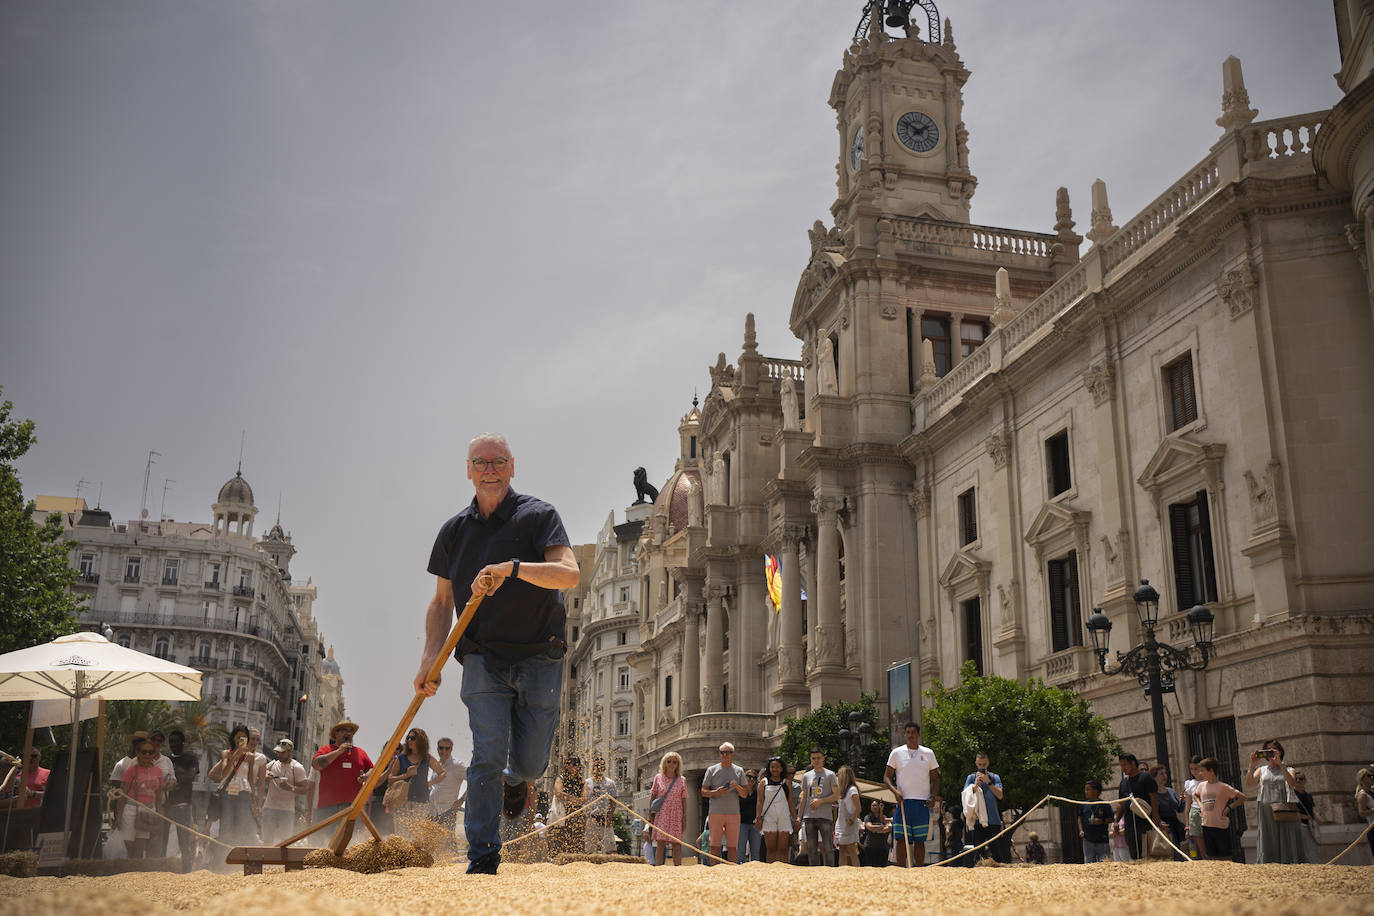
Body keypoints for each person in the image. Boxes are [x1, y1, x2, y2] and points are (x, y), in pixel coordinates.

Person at [413, 432, 580, 876]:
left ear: (512, 467)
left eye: (498, 461)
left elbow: (569, 575)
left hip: (540, 654)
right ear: (468, 470)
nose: (490, 470)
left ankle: (515, 779)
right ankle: (483, 856)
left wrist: (513, 569)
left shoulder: (539, 515)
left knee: (529, 763)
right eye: (481, 463)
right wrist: (430, 660)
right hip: (483, 657)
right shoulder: (453, 532)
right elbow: (442, 602)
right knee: (486, 751)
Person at [884, 721, 939, 867]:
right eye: (908, 733)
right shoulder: (896, 753)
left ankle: (918, 869)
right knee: (901, 839)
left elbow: (935, 779)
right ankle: (901, 869)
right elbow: (887, 777)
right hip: (904, 801)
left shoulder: (928, 753)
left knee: (919, 840)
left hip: (922, 803)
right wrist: (895, 791)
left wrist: (933, 797)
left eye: (913, 733)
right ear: (905, 734)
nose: (910, 735)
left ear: (918, 735)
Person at [1245, 739, 1307, 863]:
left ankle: (1289, 860)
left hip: (1284, 806)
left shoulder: (1289, 769)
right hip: (1265, 807)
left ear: (1280, 751)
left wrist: (1280, 764)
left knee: (1286, 832)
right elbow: (1249, 783)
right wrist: (1252, 764)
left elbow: (1291, 783)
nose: (1271, 753)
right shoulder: (1262, 770)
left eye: (1273, 749)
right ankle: (1269, 861)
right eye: (1268, 750)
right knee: (1268, 834)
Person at [385, 727, 447, 837]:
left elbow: (442, 773)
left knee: (417, 835)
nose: (409, 740)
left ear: (421, 740)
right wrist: (406, 775)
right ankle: (403, 854)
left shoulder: (427, 758)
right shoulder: (401, 758)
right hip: (402, 800)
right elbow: (390, 778)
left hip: (421, 800)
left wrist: (429, 784)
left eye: (412, 738)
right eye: (408, 738)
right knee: (402, 834)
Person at [311, 719, 374, 823]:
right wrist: (338, 751)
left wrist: (366, 776)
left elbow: (372, 769)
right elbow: (316, 765)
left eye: (351, 731)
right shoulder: (326, 749)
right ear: (336, 733)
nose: (348, 733)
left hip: (353, 807)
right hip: (327, 807)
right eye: (344, 730)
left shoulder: (360, 752)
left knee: (352, 839)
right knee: (323, 839)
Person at [208, 725, 261, 848]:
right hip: (228, 794)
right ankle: (222, 858)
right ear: (233, 738)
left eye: (244, 738)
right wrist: (236, 756)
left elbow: (251, 780)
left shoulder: (250, 757)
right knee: (226, 825)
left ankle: (240, 856)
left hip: (244, 793)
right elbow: (225, 773)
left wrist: (254, 802)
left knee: (244, 825)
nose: (240, 740)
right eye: (238, 737)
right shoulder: (226, 753)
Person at [117, 739, 166, 858]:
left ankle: (137, 873)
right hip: (131, 810)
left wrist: (160, 814)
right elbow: (122, 795)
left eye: (150, 752)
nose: (147, 755)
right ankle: (127, 871)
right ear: (138, 753)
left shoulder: (158, 771)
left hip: (148, 811)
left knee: (140, 845)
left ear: (154, 754)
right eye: (144, 752)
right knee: (129, 845)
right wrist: (118, 817)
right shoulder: (131, 771)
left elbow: (158, 796)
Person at [702, 742, 748, 865]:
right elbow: (703, 791)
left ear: (733, 754)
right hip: (715, 812)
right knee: (714, 846)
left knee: (732, 846)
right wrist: (715, 792)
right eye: (722, 752)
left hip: (733, 813)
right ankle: (715, 872)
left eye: (728, 752)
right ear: (720, 754)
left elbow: (745, 794)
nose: (725, 755)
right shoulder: (711, 770)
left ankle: (732, 871)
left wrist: (736, 786)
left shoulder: (739, 771)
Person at [1194, 756, 1245, 859]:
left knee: (1225, 857)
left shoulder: (1223, 787)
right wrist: (1200, 805)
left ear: (1211, 771)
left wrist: (1228, 808)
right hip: (1206, 825)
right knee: (1210, 856)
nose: (1200, 774)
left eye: (1202, 771)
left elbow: (1242, 797)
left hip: (1220, 827)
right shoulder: (1201, 786)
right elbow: (1195, 795)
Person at [261, 738, 310, 845]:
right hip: (269, 807)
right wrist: (266, 775)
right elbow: (261, 773)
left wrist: (290, 788)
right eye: (278, 752)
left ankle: (281, 862)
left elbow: (305, 789)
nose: (279, 754)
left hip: (287, 810)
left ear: (290, 752)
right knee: (267, 841)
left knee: (285, 842)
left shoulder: (297, 767)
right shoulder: (273, 764)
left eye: (282, 752)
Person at [963, 751, 1008, 863]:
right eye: (980, 765)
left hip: (993, 821)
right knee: (978, 854)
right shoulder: (971, 777)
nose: (982, 767)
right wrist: (975, 785)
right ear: (976, 764)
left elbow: (1000, 795)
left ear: (988, 763)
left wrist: (988, 782)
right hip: (978, 821)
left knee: (997, 852)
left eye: (984, 764)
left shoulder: (994, 777)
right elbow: (965, 795)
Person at [164, 730, 199, 871]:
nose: (173, 744)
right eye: (171, 741)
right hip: (166, 805)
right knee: (163, 840)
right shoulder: (166, 760)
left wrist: (173, 779)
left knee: (184, 841)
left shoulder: (191, 759)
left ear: (183, 742)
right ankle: (162, 869)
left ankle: (186, 872)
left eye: (176, 741)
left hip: (183, 805)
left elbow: (191, 775)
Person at [797, 748, 838, 866]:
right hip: (809, 816)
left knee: (828, 848)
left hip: (825, 816)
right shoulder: (806, 776)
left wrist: (821, 801)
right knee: (811, 848)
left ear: (823, 759)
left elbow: (836, 795)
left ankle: (830, 871)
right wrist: (799, 817)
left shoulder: (830, 775)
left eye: (818, 758)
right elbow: (804, 797)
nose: (816, 761)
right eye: (813, 758)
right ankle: (814, 872)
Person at [1114, 752, 1159, 860]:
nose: (1123, 768)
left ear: (1133, 763)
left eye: (1124, 765)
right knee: (1134, 856)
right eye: (1121, 765)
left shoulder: (1146, 778)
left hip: (1145, 824)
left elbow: (1153, 798)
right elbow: (1121, 804)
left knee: (1148, 855)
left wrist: (1156, 817)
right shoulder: (1123, 783)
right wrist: (1116, 821)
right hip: (1129, 826)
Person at [649, 751, 687, 866]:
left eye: (675, 762)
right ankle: (659, 868)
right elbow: (653, 795)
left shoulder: (682, 780)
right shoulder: (658, 777)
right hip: (662, 812)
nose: (671, 764)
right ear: (664, 763)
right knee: (661, 842)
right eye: (669, 761)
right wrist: (650, 813)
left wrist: (684, 816)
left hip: (676, 812)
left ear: (678, 764)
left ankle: (677, 869)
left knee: (676, 843)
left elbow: (684, 799)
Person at [755, 756, 796, 864]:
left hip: (784, 816)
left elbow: (790, 802)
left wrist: (795, 818)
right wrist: (758, 817)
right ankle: (771, 872)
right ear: (769, 768)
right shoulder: (763, 783)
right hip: (769, 817)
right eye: (772, 767)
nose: (775, 769)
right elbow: (760, 802)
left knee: (783, 849)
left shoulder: (786, 783)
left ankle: (784, 870)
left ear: (782, 769)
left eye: (777, 767)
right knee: (771, 849)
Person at [430, 736, 466, 844]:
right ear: (437, 749)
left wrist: (461, 800)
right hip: (433, 811)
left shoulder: (457, 765)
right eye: (441, 748)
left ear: (451, 749)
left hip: (448, 810)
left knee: (448, 843)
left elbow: (474, 780)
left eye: (447, 748)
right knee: (434, 843)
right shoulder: (436, 765)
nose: (444, 751)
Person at [549, 756, 587, 857]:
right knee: (559, 840)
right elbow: (559, 794)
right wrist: (575, 799)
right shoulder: (561, 778)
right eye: (569, 763)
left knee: (575, 842)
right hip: (561, 814)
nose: (571, 766)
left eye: (574, 764)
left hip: (575, 815)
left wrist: (568, 798)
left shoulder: (582, 782)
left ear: (578, 766)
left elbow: (583, 799)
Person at [1149, 763, 1188, 861]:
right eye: (1161, 774)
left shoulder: (1170, 791)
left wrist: (1182, 801)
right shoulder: (1153, 794)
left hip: (1176, 826)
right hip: (1164, 827)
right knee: (1173, 854)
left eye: (1165, 773)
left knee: (1182, 851)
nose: (1164, 776)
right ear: (1154, 777)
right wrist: (1159, 823)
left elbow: (1179, 809)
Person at [584, 757, 617, 855]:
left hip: (604, 818)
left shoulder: (610, 783)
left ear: (604, 768)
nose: (598, 768)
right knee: (590, 849)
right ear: (592, 768)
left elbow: (613, 802)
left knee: (610, 849)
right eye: (596, 766)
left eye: (600, 766)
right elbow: (583, 801)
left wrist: (609, 818)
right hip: (590, 818)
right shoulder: (586, 783)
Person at [833, 765, 862, 867]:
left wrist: (851, 819)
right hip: (841, 823)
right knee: (842, 850)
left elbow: (858, 808)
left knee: (851, 850)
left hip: (849, 822)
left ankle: (856, 871)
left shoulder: (852, 790)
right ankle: (842, 872)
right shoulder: (842, 791)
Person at [1079, 779, 1113, 863]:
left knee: (1105, 864)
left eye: (1088, 789)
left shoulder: (1105, 804)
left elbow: (1112, 818)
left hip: (1102, 840)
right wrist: (1081, 830)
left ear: (1095, 791)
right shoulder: (1083, 805)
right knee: (1089, 864)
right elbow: (1079, 818)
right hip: (1088, 840)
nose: (1085, 792)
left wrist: (1102, 821)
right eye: (1085, 789)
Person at [1183, 755, 1207, 860]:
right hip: (1195, 814)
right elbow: (1187, 806)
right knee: (1198, 846)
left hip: (1208, 813)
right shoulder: (1190, 784)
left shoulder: (1208, 782)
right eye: (1191, 769)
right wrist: (1187, 825)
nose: (1194, 772)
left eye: (1196, 769)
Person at [737, 768, 761, 863]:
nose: (751, 779)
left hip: (754, 823)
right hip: (741, 823)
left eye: (754, 778)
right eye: (749, 777)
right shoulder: (739, 791)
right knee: (740, 850)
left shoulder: (757, 792)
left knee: (755, 851)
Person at [860, 799, 891, 867]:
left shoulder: (884, 817)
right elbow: (869, 827)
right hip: (870, 847)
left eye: (876, 805)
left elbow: (889, 828)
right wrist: (881, 827)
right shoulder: (868, 817)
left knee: (882, 868)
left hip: (883, 847)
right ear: (870, 807)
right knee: (870, 868)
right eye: (873, 805)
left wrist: (876, 829)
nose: (875, 807)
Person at [1355, 768, 1374, 861]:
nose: (1372, 778)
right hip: (1372, 828)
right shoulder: (1363, 795)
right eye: (1369, 776)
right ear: (1363, 779)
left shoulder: (1372, 792)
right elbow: (1362, 813)